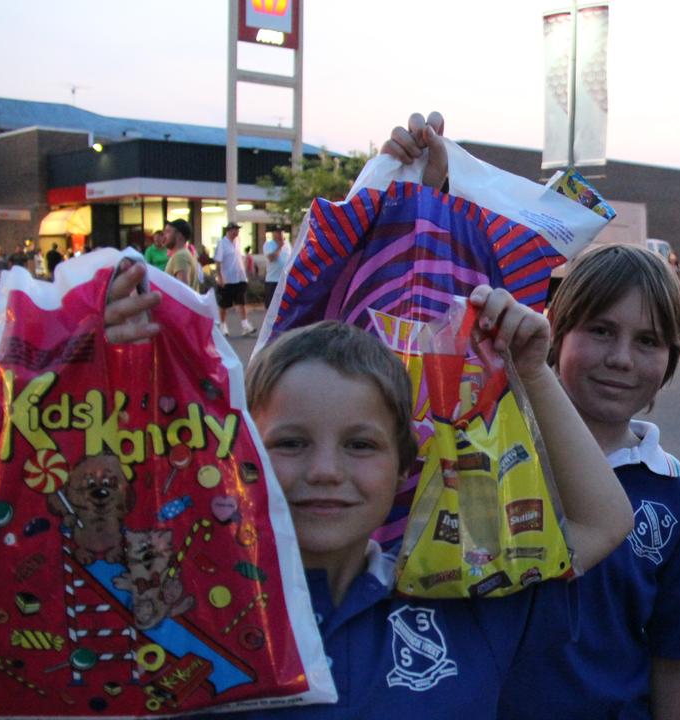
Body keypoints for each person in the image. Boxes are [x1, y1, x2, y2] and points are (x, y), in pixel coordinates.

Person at [101, 114, 635, 718]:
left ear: (408, 458)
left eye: (360, 444)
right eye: (292, 443)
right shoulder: (187, 602)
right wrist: (93, 366)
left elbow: (605, 521)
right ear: (245, 451)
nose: (326, 469)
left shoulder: (464, 596)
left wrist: (534, 370)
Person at [499, 244, 680, 720]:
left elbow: (677, 656)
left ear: (671, 358)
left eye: (648, 341)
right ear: (555, 329)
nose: (621, 358)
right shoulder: (492, 454)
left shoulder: (675, 498)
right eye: (601, 331)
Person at [214, 222, 255, 336]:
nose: (236, 232)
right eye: (234, 229)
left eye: (237, 230)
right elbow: (218, 262)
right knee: (224, 304)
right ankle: (223, 326)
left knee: (241, 301)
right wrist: (220, 277)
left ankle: (245, 325)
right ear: (229, 230)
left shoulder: (237, 241)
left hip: (239, 277)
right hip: (227, 279)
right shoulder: (222, 243)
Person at [162, 219, 200, 292]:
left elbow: (183, 290)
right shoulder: (182, 254)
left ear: (179, 236)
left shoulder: (180, 256)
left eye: (168, 232)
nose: (164, 236)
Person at [262, 228, 291, 310]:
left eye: (282, 232)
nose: (280, 234)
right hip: (272, 280)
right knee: (271, 307)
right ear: (273, 234)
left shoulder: (287, 245)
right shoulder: (268, 244)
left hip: (285, 280)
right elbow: (271, 258)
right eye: (278, 232)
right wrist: (279, 247)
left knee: (284, 306)